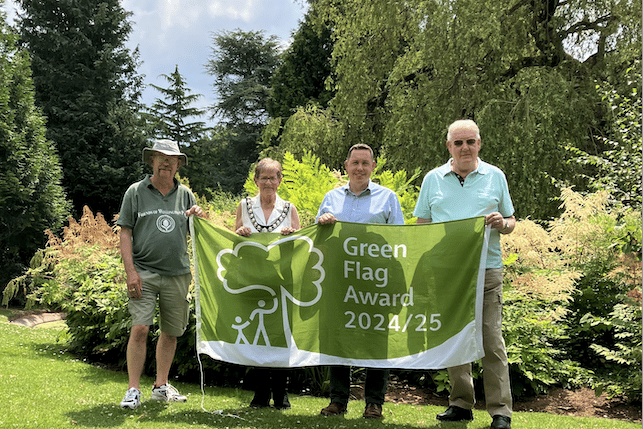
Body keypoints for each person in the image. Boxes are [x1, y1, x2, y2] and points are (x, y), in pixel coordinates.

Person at [413, 119, 515, 429]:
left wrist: (503, 223)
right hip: (447, 273)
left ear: (479, 144)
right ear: (449, 147)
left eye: (470, 141)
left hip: (487, 270)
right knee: (455, 339)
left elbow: (511, 221)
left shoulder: (495, 176)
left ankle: (500, 412)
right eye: (458, 143)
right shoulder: (433, 179)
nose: (464, 148)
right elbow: (421, 226)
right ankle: (460, 403)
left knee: (491, 340)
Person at [316, 143, 405, 420]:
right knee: (338, 337)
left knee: (376, 339)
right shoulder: (331, 198)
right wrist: (322, 222)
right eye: (355, 163)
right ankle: (338, 400)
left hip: (376, 281)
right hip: (339, 280)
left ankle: (374, 403)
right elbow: (317, 238)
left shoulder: (387, 198)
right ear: (346, 165)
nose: (360, 168)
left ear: (373, 167)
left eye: (365, 163)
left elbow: (400, 241)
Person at [117, 139, 206, 410]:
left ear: (178, 164)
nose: (166, 162)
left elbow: (196, 234)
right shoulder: (135, 192)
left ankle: (160, 386)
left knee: (170, 332)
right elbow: (125, 232)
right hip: (144, 271)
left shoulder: (186, 195)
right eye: (160, 157)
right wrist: (130, 272)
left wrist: (200, 217)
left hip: (178, 274)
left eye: (172, 158)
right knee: (140, 328)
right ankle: (133, 389)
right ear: (151, 161)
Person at [235, 158, 301, 410]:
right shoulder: (244, 206)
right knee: (257, 336)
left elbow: (300, 247)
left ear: (280, 180)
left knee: (281, 336)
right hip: (253, 281)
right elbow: (234, 244)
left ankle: (281, 394)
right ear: (255, 180)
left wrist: (292, 237)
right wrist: (239, 233)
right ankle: (260, 393)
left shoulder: (289, 209)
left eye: (274, 177)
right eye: (264, 177)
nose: (269, 182)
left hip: (281, 283)